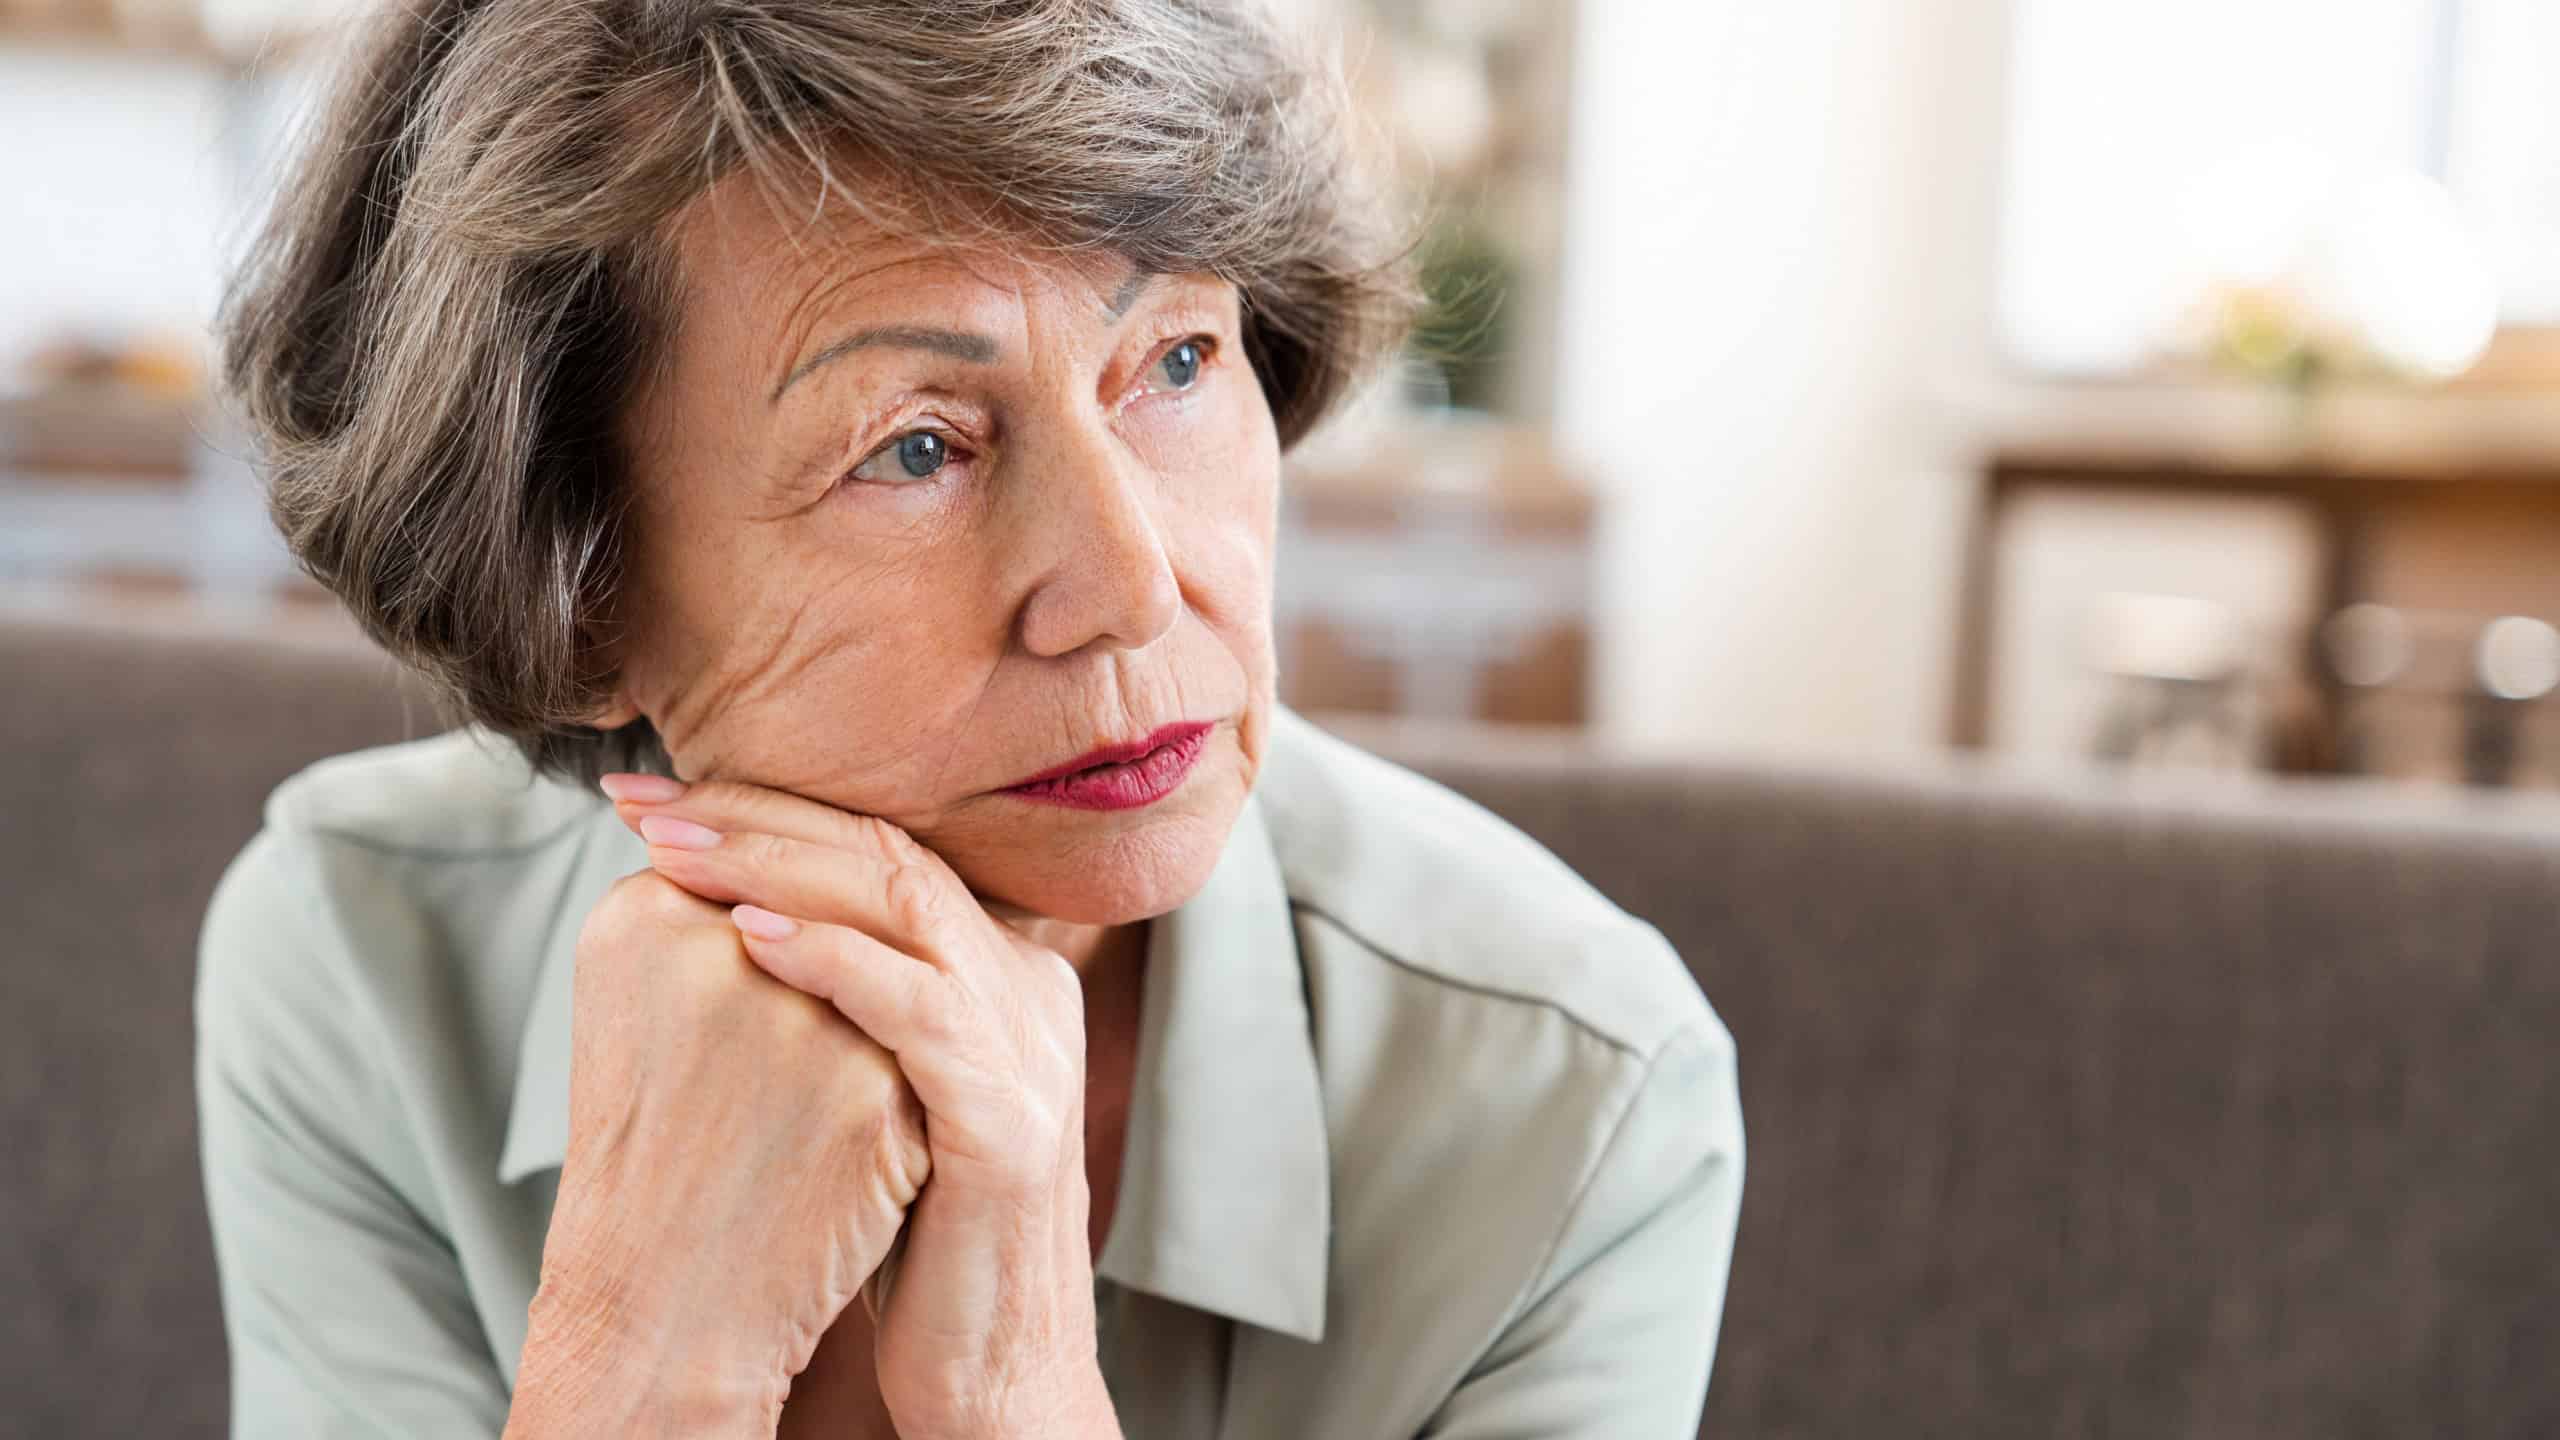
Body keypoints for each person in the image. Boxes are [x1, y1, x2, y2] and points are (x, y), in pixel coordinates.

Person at [196, 0, 1745, 1434]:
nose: (1134, 585)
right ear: (581, 592)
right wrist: (646, 1351)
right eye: (918, 449)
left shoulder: (1579, 1097)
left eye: (1180, 362)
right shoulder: (360, 958)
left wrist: (1018, 1388)